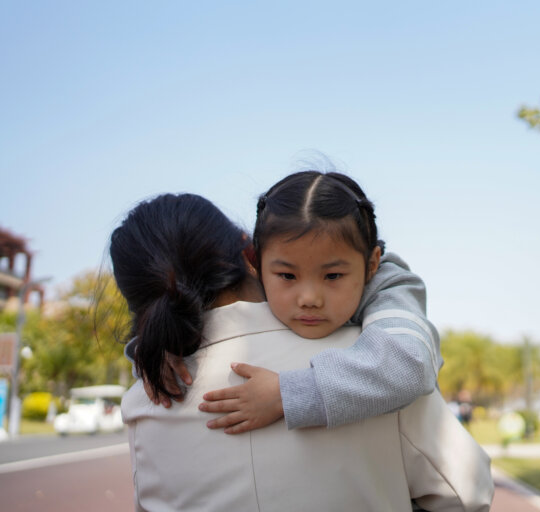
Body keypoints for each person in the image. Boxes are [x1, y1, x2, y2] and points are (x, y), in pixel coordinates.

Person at [114, 192, 494, 510]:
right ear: (249, 254)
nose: (310, 297)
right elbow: (467, 494)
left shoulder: (146, 401)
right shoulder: (371, 364)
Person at [132, 171, 442, 434]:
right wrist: (159, 350)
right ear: (255, 261)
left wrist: (286, 394)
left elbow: (408, 364)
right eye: (287, 276)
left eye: (333, 276)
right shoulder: (265, 286)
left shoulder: (389, 286)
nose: (309, 299)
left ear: (372, 264)